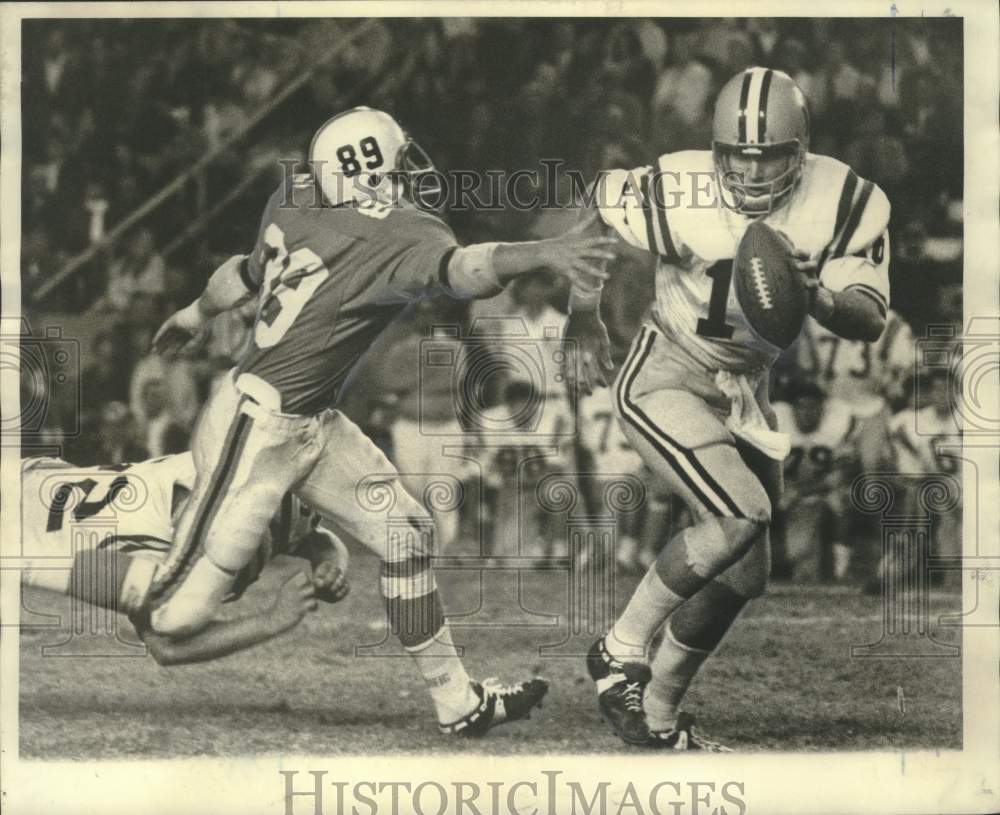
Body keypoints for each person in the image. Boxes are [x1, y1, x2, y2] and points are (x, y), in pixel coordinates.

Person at [148, 107, 617, 737]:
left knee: (406, 533)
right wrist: (547, 252)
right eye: (401, 159)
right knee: (174, 611)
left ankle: (457, 702)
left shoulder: (294, 196)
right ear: (372, 172)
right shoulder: (396, 229)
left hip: (306, 420)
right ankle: (96, 539)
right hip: (256, 429)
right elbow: (465, 272)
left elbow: (243, 273)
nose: (413, 169)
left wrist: (190, 315)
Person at [564, 68, 891, 749]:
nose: (750, 167)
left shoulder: (844, 198)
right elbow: (599, 214)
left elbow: (870, 318)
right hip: (667, 372)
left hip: (746, 388)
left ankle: (654, 715)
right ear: (714, 150)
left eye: (767, 152)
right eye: (737, 153)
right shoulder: (679, 184)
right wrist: (581, 317)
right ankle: (620, 647)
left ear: (800, 150)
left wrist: (822, 299)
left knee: (745, 572)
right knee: (742, 512)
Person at [20, 452, 349, 666]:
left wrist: (329, 567)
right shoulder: (150, 554)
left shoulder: (233, 481)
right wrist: (271, 620)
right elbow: (168, 647)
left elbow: (315, 537)